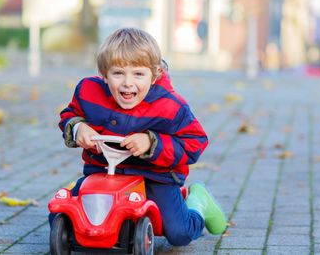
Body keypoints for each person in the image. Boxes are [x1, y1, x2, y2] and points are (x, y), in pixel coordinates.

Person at [56, 27, 227, 246]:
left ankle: (198, 203)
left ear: (154, 74)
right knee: (62, 212)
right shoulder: (88, 92)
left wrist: (151, 143)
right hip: (103, 172)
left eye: (138, 74)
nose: (127, 82)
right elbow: (69, 115)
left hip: (155, 176)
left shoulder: (171, 106)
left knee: (179, 233)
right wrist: (79, 128)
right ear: (104, 74)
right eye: (118, 73)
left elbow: (195, 142)